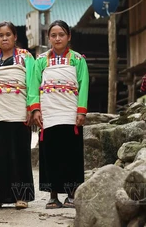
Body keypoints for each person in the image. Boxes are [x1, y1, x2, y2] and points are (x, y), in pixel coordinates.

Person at [30, 20, 89, 209]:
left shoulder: (78, 60)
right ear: (48, 38)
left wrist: (81, 111)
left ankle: (71, 194)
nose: (57, 39)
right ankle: (53, 195)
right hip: (48, 112)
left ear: (69, 37)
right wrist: (36, 109)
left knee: (71, 152)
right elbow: (33, 86)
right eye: (53, 35)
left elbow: (83, 85)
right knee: (50, 153)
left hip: (70, 112)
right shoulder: (40, 61)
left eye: (61, 35)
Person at [0, 21, 35, 210]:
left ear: (15, 37)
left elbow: (32, 83)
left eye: (8, 35)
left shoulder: (26, 58)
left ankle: (22, 196)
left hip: (18, 109)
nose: (4, 38)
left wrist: (32, 107)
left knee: (19, 152)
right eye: (0, 35)